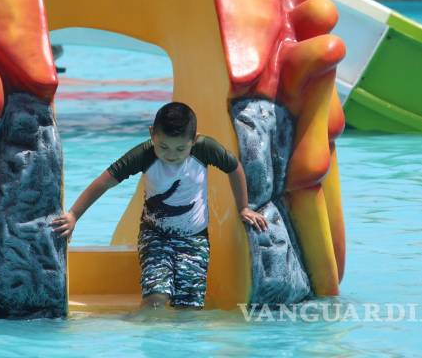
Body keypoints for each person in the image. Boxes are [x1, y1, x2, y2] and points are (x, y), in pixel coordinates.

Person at [51, 102, 267, 309]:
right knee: (156, 299)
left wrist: (244, 207)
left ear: (194, 139)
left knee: (189, 308)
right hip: (155, 235)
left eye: (180, 148)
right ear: (151, 133)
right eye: (163, 146)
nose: (171, 155)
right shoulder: (144, 154)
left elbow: (234, 167)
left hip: (195, 239)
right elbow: (104, 182)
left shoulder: (204, 149)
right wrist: (73, 215)